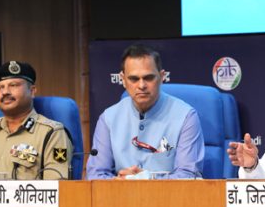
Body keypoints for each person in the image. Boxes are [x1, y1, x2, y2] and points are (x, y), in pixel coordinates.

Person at [86, 44, 205, 179]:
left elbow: (188, 176)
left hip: (170, 198)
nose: (141, 85)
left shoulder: (186, 116)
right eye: (134, 79)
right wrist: (118, 182)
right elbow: (95, 175)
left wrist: (147, 179)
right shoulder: (108, 118)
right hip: (121, 198)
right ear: (123, 80)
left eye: (148, 78)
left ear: (162, 77)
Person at [0, 61, 73, 180]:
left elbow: (57, 188)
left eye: (13, 85)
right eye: (0, 88)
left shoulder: (52, 133)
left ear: (32, 91)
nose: (5, 92)